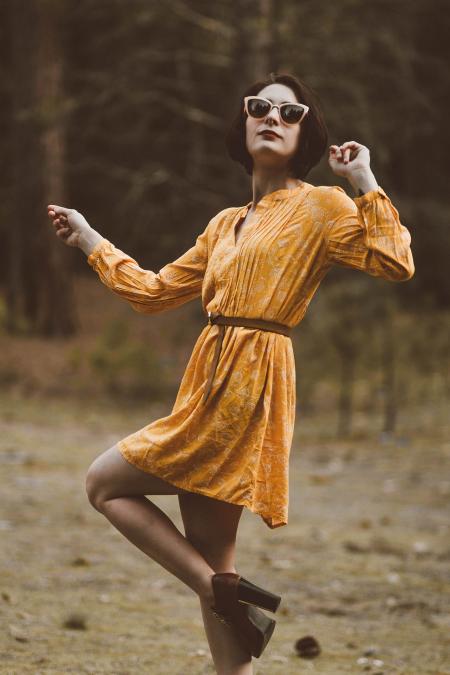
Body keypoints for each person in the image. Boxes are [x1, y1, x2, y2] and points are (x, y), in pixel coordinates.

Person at [47, 72, 415, 674]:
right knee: (215, 561)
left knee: (103, 483)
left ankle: (225, 591)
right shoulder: (224, 223)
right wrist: (90, 240)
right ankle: (229, 599)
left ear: (307, 133)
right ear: (242, 124)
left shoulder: (321, 205)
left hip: (253, 376)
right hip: (207, 377)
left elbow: (395, 261)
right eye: (260, 107)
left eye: (290, 112)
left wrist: (364, 182)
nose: (272, 116)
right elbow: (154, 291)